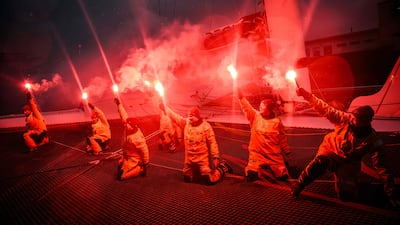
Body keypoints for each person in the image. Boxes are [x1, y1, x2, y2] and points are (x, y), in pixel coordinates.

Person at [292, 87, 399, 207]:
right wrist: (306, 95)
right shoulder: (345, 119)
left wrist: (391, 193)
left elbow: (382, 167)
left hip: (348, 163)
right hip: (330, 151)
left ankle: (350, 186)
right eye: (352, 117)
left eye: (354, 119)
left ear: (365, 123)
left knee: (346, 196)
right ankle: (300, 184)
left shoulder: (373, 140)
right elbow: (325, 108)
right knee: (319, 163)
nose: (351, 120)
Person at [159, 103, 232, 185]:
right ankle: (195, 170)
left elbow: (212, 142)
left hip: (202, 160)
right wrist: (165, 108)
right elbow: (175, 117)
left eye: (192, 115)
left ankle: (222, 168)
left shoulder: (205, 127)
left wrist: (215, 156)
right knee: (187, 179)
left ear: (197, 116)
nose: (190, 117)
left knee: (208, 180)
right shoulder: (186, 123)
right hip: (189, 160)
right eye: (188, 115)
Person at [237, 89, 294, 182]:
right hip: (257, 154)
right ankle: (256, 169)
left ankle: (280, 166)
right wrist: (240, 96)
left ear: (269, 109)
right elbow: (246, 107)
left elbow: (282, 138)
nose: (260, 108)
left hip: (273, 156)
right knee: (251, 175)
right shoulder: (255, 116)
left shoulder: (276, 122)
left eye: (263, 106)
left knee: (283, 177)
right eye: (260, 106)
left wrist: (287, 151)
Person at [114, 98, 149, 181]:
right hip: (126, 156)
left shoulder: (137, 139)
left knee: (121, 177)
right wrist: (119, 104)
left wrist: (145, 164)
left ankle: (139, 169)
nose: (125, 125)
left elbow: (144, 151)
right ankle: (126, 166)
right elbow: (124, 115)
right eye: (126, 123)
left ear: (133, 127)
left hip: (133, 159)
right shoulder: (128, 127)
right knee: (119, 167)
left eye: (128, 124)